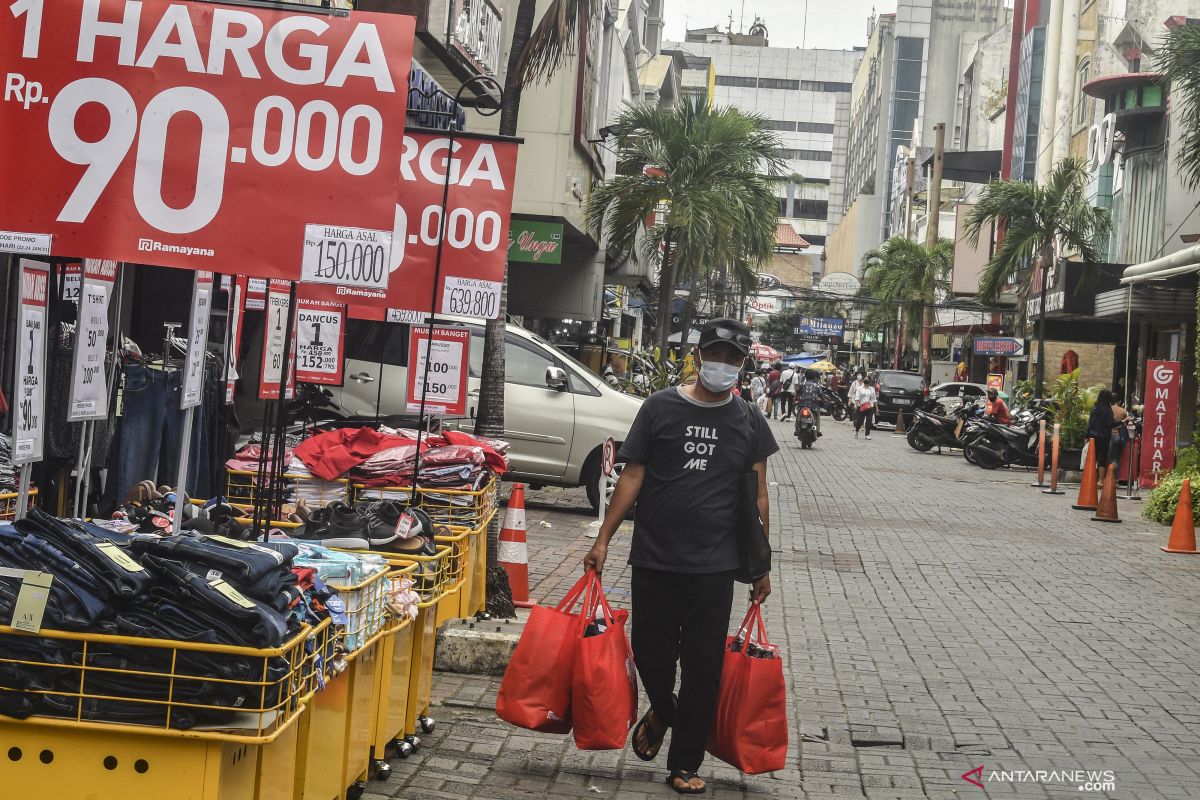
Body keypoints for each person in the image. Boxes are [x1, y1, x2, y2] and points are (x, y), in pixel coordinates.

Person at [583, 317, 778, 795]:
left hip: (716, 564)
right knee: (650, 654)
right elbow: (631, 476)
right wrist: (603, 538)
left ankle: (685, 764)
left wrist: (762, 566)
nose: (723, 364)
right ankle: (664, 710)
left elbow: (759, 496)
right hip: (655, 556)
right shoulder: (659, 407)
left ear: (743, 363)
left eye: (733, 358)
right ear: (698, 356)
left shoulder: (749, 419)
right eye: (716, 354)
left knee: (703, 668)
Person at [1087, 388, 1128, 468]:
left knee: (1092, 457)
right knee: (1102, 458)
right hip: (1104, 437)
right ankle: (1101, 480)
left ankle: (1091, 477)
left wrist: (1087, 436)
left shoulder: (1094, 409)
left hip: (1093, 436)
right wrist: (1122, 421)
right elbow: (1110, 424)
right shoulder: (1107, 410)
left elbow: (1090, 423)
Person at [794, 369, 823, 437]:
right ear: (814, 377)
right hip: (813, 407)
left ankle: (796, 427)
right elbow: (822, 396)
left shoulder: (801, 384)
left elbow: (797, 394)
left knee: (799, 413)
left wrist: (798, 399)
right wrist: (825, 401)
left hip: (802, 405)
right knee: (817, 414)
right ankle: (818, 430)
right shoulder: (817, 386)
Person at [850, 372, 877, 439]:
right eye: (865, 379)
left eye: (867, 379)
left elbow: (874, 399)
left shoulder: (872, 389)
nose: (866, 380)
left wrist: (876, 407)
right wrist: (856, 405)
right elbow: (857, 397)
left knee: (869, 420)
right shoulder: (860, 388)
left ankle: (867, 434)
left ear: (869, 381)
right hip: (861, 406)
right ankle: (856, 431)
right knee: (860, 420)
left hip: (870, 406)